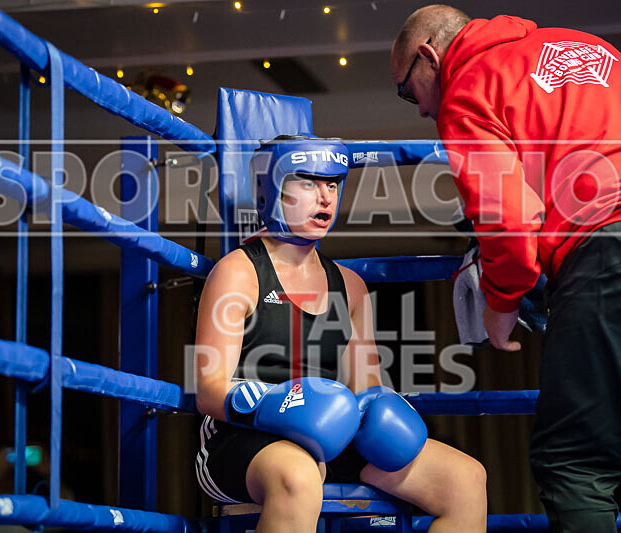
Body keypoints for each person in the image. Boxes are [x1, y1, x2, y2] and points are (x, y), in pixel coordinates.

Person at [390, 5, 621, 533]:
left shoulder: (468, 87)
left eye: (408, 92)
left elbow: (509, 217)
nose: (417, 111)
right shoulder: (581, 42)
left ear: (430, 56)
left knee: (573, 465)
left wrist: (501, 304)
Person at [193, 135, 487, 532]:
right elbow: (209, 389)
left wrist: (376, 409)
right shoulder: (239, 272)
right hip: (242, 438)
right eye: (309, 183)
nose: (325, 198)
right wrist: (279, 406)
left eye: (332, 184)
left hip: (327, 435)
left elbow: (366, 386)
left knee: (464, 479)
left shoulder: (349, 286)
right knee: (298, 475)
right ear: (272, 187)